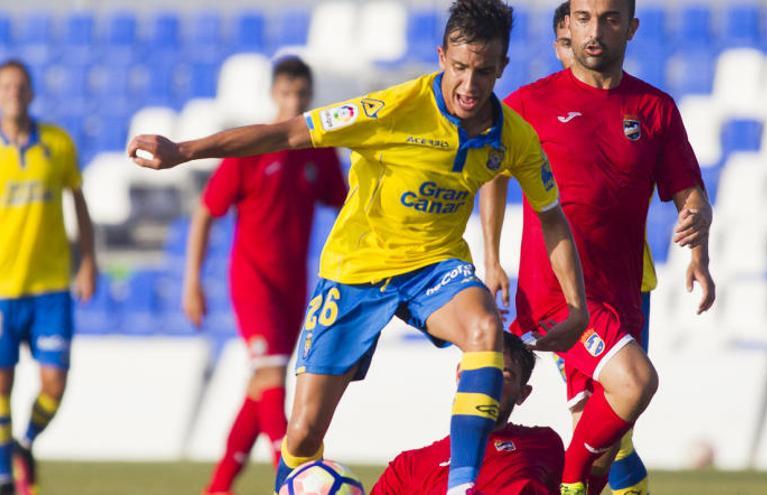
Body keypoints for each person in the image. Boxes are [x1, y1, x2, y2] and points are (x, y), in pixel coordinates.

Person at [128, 2, 589, 494]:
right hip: (356, 272)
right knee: (303, 434)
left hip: (434, 266)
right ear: (441, 57)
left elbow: (551, 216)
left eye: (483, 71)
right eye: (459, 68)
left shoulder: (514, 137)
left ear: (502, 68)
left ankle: (462, 486)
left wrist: (577, 306)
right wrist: (183, 151)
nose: (469, 85)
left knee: (483, 328)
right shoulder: (390, 109)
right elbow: (286, 132)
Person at [480, 0, 715, 494]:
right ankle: (567, 485)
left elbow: (688, 190)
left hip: (624, 290)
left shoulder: (655, 108)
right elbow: (491, 174)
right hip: (559, 296)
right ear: (568, 25)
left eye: (608, 19)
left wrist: (699, 242)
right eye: (583, 18)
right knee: (635, 382)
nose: (594, 31)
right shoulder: (528, 104)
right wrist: (493, 257)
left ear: (629, 28)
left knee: (609, 432)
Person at [184, 57, 348, 495]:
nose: (294, 101)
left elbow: (346, 204)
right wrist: (192, 280)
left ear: (309, 97)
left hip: (294, 285)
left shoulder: (319, 151)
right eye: (287, 93)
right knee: (273, 377)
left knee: (261, 388)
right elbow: (206, 210)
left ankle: (218, 487)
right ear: (275, 94)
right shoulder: (252, 147)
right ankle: (289, 476)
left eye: (301, 94)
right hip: (252, 280)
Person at [0, 59, 97, 495]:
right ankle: (5, 476)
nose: (14, 93)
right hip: (2, 289)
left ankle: (25, 442)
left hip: (51, 288)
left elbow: (79, 202)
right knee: (1, 384)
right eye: (5, 87)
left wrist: (88, 260)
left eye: (20, 86)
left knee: (53, 386)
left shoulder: (57, 144)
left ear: (32, 93)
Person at [372, 332, 563, 495]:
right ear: (459, 375)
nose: (489, 381)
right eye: (482, 370)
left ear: (522, 394)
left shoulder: (543, 444)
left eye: (505, 375)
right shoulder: (408, 466)